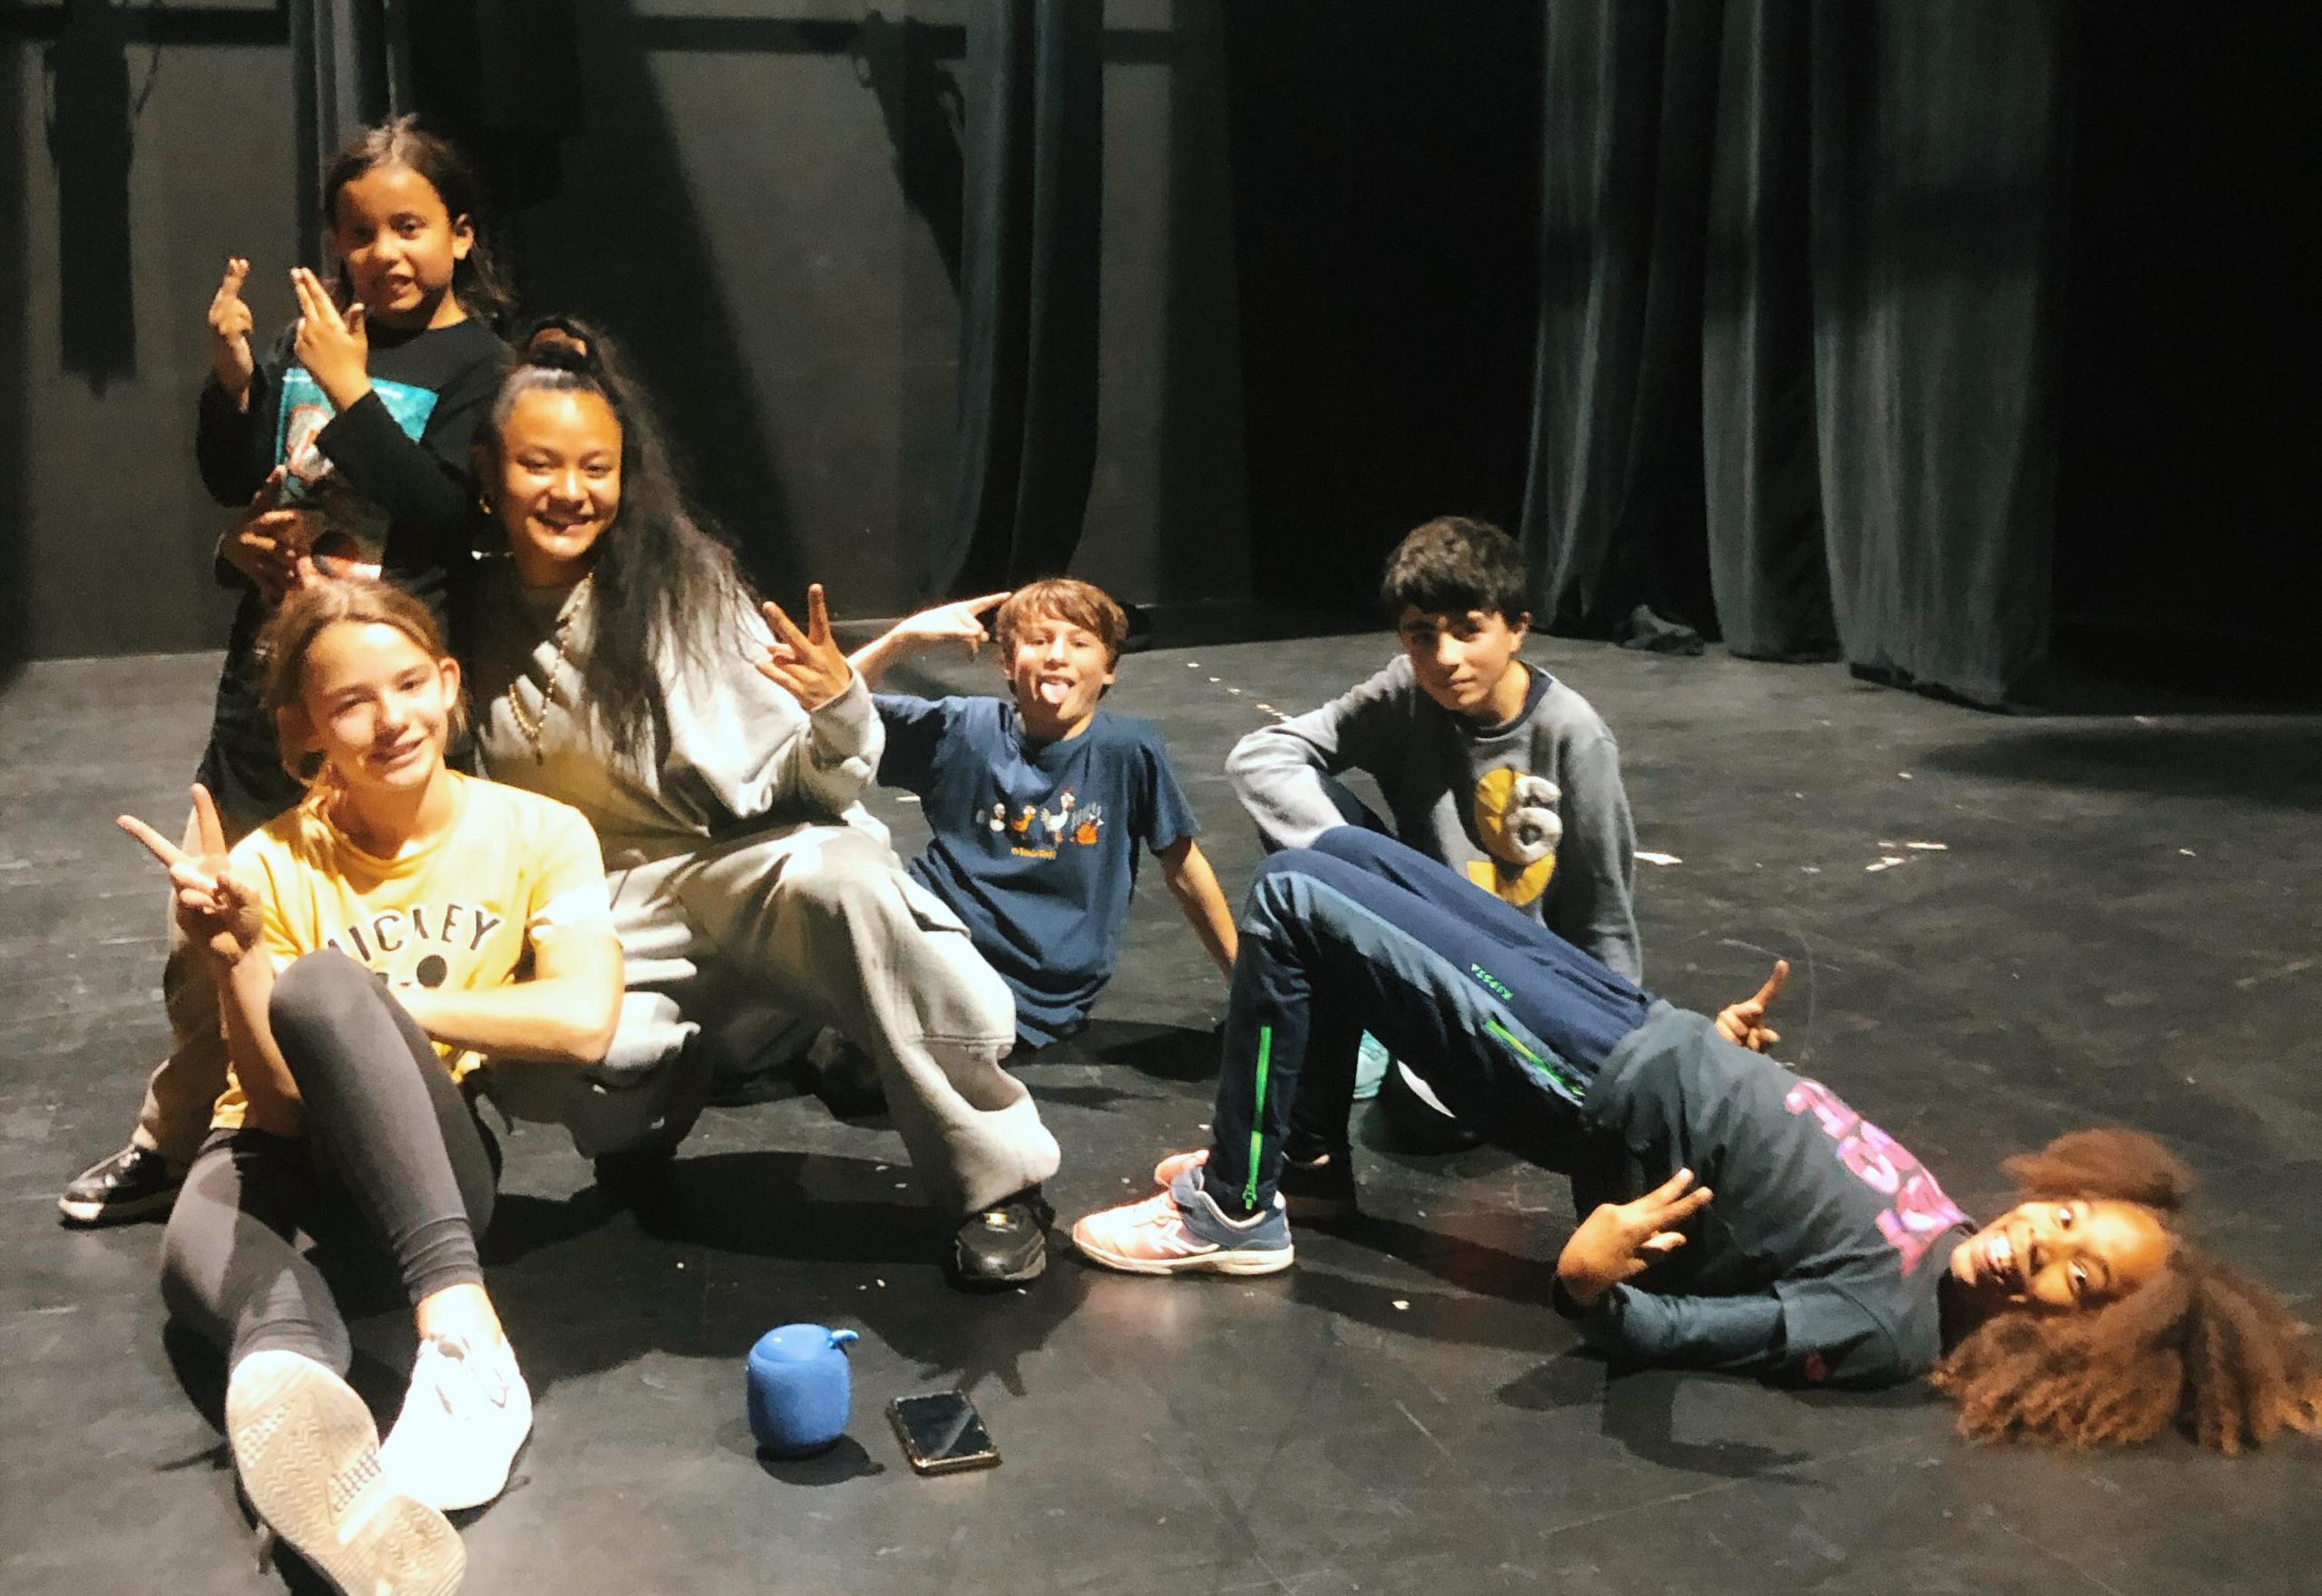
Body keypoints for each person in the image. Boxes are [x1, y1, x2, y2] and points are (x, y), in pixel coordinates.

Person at [1069, 831, 2322, 1450]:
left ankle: (1237, 1206)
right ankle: (1306, 1165)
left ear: (2077, 1334)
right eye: (2067, 1218)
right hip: (1639, 1024)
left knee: (1295, 902)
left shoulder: (1883, 1325)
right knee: (1346, 852)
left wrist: (1588, 1280)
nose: (2041, 1244)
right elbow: (1780, 1154)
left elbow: (1678, 1333)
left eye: (2078, 1278)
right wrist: (1724, 1049)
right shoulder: (1945, 1228)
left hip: (1583, 1082)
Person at [459, 321, 1063, 1287]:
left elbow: (807, 784)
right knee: (568, 1052)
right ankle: (669, 1102)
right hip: (601, 911)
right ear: (489, 473)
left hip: (736, 869)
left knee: (848, 879)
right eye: (540, 464)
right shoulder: (457, 604)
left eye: (595, 467)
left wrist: (837, 707)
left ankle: (996, 1179)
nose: (570, 491)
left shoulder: (680, 588)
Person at [126, 579, 620, 1596]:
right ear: (304, 729)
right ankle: (333, 1509)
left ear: (449, 684)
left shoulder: (539, 830)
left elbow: (584, 1020)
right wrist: (236, 953)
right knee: (217, 1287)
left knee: (323, 986)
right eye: (350, 702)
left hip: (424, 1166)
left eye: (408, 685)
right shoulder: (264, 864)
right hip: (271, 1145)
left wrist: (376, 999)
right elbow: (276, 1103)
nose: (390, 718)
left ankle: (465, 1338)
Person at [63, 120, 512, 1230]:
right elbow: (245, 480)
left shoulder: (480, 365)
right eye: (358, 232)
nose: (383, 252)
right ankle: (173, 1137)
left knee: (369, 929)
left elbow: (443, 513)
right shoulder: (311, 341)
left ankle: (379, 1133)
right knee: (206, 932)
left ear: (459, 234)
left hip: (384, 708)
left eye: (409, 227)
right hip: (268, 692)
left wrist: (353, 393)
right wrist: (234, 383)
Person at [1225, 513, 1638, 1165]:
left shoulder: (1572, 734)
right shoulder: (1406, 690)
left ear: (1517, 628)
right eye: (1423, 636)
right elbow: (1262, 757)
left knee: (1423, 1121)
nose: (1445, 658)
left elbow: (1601, 911)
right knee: (1308, 877)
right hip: (1419, 940)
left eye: (1469, 631)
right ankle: (1310, 1159)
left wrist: (1617, 1058)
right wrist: (1358, 875)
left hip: (1505, 984)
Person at [852, 579, 1238, 1051]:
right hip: (929, 942)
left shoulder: (1126, 750)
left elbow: (1184, 868)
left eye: (1079, 643)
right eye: (1038, 640)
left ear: (1109, 669)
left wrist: (1244, 981)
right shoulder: (964, 729)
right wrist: (901, 640)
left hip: (1036, 992)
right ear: (1008, 663)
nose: (1057, 655)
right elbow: (816, 707)